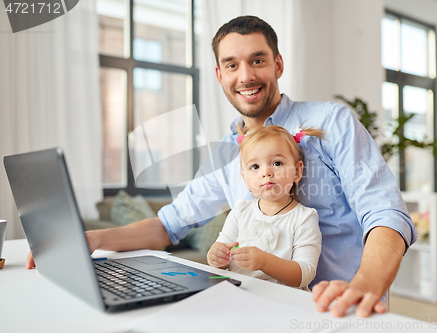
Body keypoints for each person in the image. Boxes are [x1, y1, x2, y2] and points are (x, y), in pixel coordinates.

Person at [27, 15, 417, 318]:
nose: (245, 76)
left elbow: (384, 212)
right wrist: (93, 240)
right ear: (219, 75)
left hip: (339, 309)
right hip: (259, 309)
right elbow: (169, 224)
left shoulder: (332, 122)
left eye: (257, 60)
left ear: (278, 65)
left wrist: (366, 283)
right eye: (231, 65)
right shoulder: (225, 156)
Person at [207, 125, 324, 289]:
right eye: (255, 167)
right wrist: (215, 257)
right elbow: (221, 255)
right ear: (245, 180)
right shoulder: (240, 211)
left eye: (277, 163)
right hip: (239, 294)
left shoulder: (304, 217)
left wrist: (264, 261)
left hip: (282, 301)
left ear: (297, 172)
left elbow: (304, 274)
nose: (266, 172)